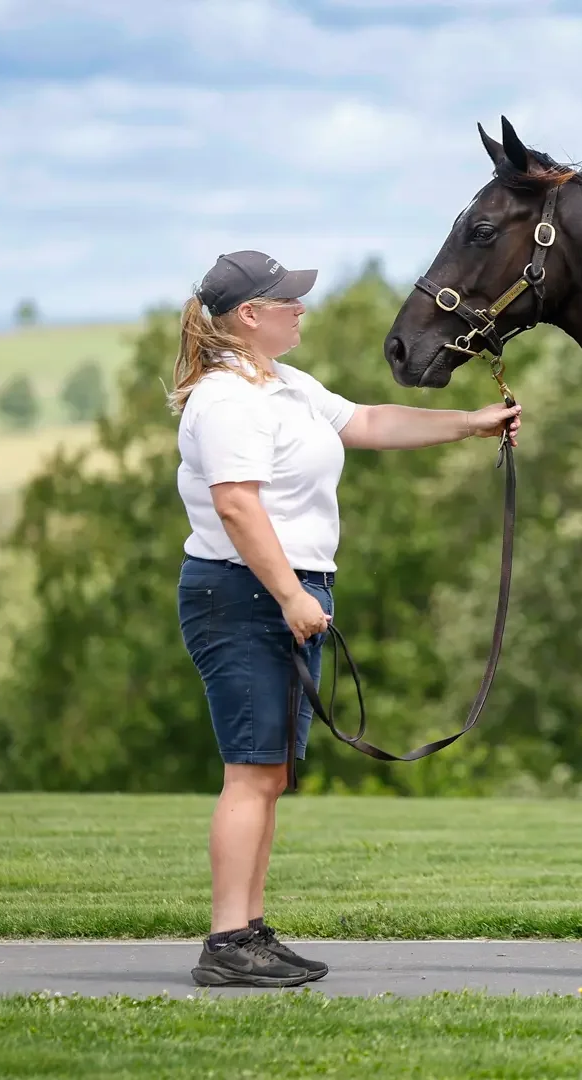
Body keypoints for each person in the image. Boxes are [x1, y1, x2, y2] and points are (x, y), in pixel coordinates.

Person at [171, 250, 519, 987]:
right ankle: (228, 942)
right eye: (288, 301)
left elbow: (364, 421)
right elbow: (237, 504)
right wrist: (293, 595)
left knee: (269, 773)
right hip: (244, 594)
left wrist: (469, 423)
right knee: (249, 772)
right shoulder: (228, 400)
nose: (302, 309)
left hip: (280, 589)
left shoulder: (282, 386)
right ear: (248, 317)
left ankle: (249, 932)